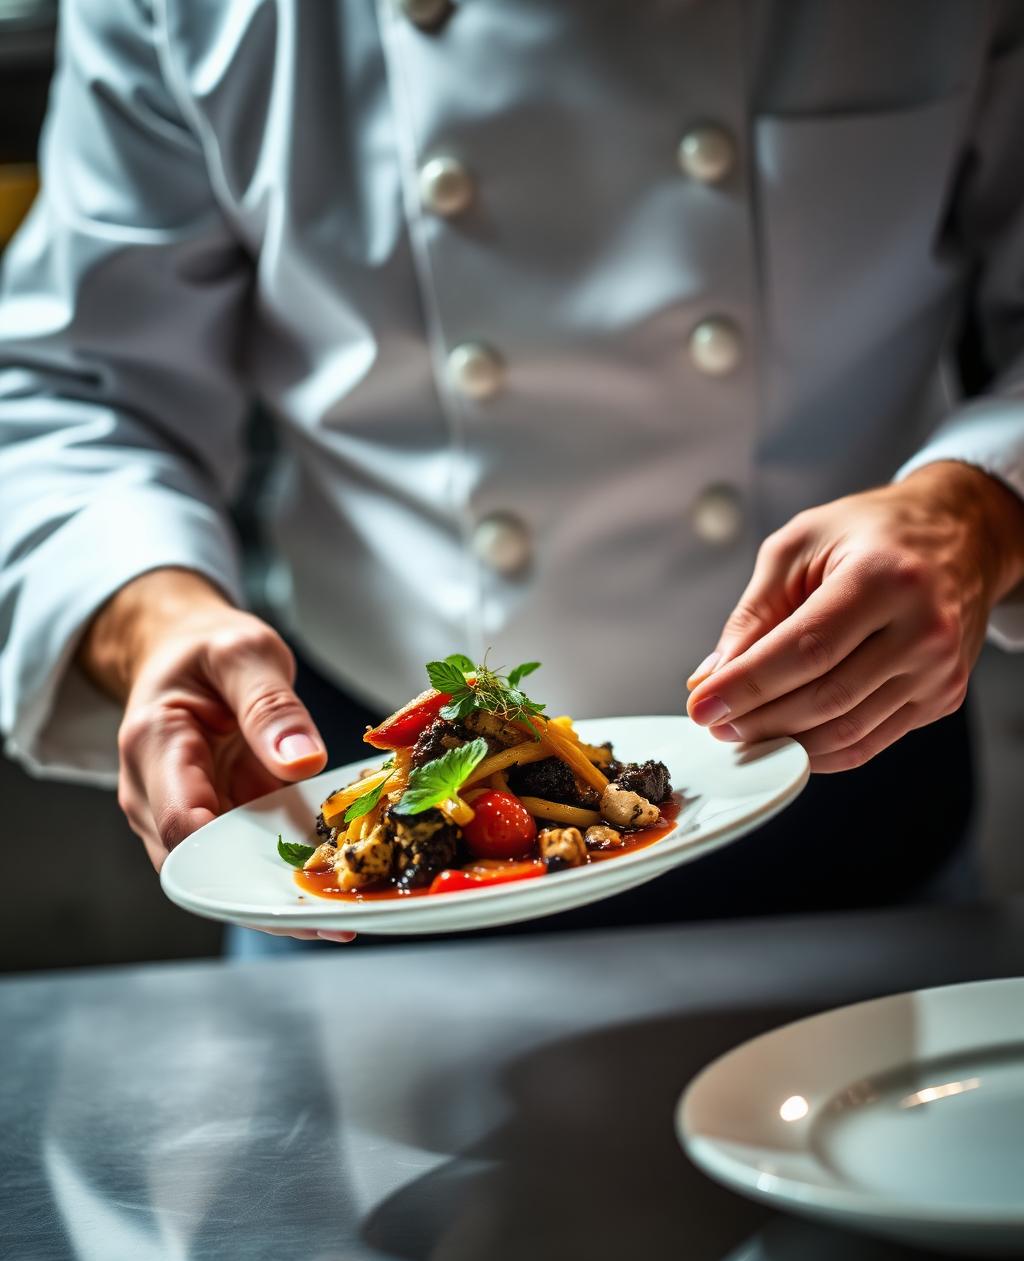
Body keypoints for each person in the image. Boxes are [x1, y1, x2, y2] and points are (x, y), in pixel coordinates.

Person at [2, 1, 1023, 950]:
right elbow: (74, 390)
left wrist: (975, 506)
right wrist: (151, 618)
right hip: (357, 839)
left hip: (849, 802)